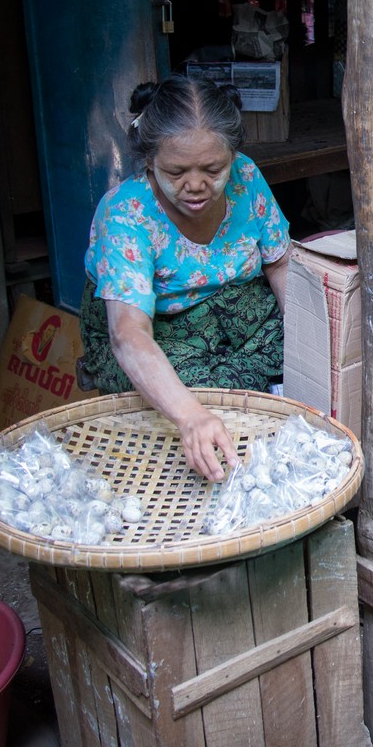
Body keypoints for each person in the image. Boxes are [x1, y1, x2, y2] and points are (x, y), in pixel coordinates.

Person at [78, 76, 290, 481]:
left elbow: (279, 264)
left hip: (238, 309)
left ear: (233, 156)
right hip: (159, 330)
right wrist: (191, 415)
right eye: (175, 171)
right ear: (148, 161)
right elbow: (129, 333)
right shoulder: (126, 214)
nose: (195, 185)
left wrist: (306, 345)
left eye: (213, 169)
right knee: (204, 402)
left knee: (313, 359)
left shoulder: (247, 178)